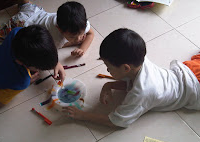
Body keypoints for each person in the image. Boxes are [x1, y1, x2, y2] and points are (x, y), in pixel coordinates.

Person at [63, 28, 200, 128]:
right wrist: (108, 85)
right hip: (190, 69)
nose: (107, 70)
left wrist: (83, 115)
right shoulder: (139, 57)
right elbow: (131, 81)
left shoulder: (141, 94)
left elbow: (116, 121)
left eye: (108, 66)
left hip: (194, 89)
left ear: (126, 68)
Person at [0, 25, 65, 108]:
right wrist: (26, 81)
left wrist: (54, 62)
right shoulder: (20, 81)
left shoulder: (16, 32)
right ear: (20, 62)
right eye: (38, 68)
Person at [0, 1, 94, 57]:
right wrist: (72, 43)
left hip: (35, 11)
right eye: (72, 37)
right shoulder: (55, 39)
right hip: (22, 23)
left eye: (81, 33)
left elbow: (90, 34)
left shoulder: (78, 24)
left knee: (25, 3)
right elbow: (51, 49)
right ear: (59, 29)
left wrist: (82, 49)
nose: (80, 38)